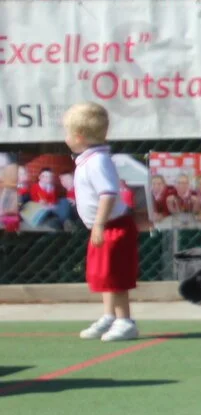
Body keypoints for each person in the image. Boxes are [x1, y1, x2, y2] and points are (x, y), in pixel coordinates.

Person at [67, 103, 139, 343]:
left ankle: (125, 321)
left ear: (79, 137)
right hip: (103, 227)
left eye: (67, 133)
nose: (65, 138)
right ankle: (110, 316)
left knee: (116, 277)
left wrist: (99, 224)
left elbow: (108, 194)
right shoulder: (89, 160)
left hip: (113, 227)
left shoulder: (98, 161)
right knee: (105, 275)